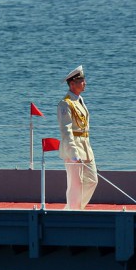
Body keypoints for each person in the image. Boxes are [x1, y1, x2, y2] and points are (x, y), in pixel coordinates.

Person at [57, 65, 98, 210]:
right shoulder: (65, 104)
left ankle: (73, 208)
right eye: (81, 81)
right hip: (73, 147)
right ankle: (73, 212)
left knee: (92, 180)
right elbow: (66, 131)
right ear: (72, 84)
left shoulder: (79, 100)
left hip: (85, 146)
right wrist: (73, 153)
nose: (84, 83)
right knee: (75, 184)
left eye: (84, 80)